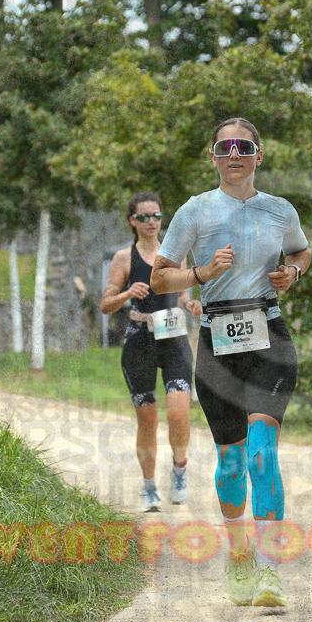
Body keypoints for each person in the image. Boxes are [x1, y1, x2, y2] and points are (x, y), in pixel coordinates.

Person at [150, 118, 312, 608]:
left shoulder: (279, 210)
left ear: (259, 155)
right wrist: (201, 272)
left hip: (269, 334)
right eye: (225, 147)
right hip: (218, 342)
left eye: (245, 146)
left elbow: (302, 252)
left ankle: (270, 569)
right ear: (214, 157)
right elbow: (160, 280)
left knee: (263, 449)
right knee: (231, 462)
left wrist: (292, 274)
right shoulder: (195, 211)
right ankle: (239, 555)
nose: (235, 153)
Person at [101, 192, 202, 513]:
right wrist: (129, 292)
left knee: (178, 413)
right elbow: (105, 305)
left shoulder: (175, 254)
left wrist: (190, 304)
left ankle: (179, 470)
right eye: (143, 217)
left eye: (156, 216)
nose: (151, 223)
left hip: (173, 340)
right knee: (147, 420)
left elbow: (182, 294)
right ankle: (148, 488)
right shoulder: (123, 258)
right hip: (139, 342)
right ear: (132, 220)